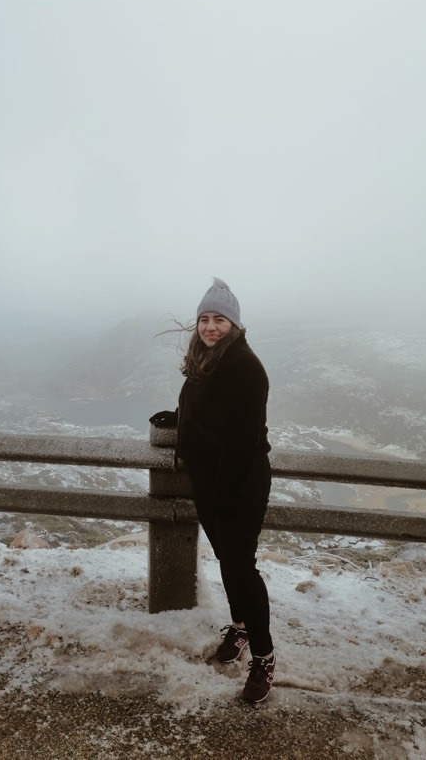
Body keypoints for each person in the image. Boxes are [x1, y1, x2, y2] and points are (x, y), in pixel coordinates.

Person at [150, 278, 275, 703]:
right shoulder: (208, 360)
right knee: (227, 559)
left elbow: (243, 439)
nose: (210, 326)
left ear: (234, 324)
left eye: (219, 319)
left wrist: (227, 494)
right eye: (204, 318)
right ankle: (240, 630)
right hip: (211, 481)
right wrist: (179, 417)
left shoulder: (243, 365)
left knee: (242, 567)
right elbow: (208, 408)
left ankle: (264, 658)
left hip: (237, 485)